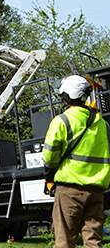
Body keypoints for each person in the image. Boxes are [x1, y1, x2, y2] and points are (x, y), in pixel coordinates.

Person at [43, 75, 110, 248]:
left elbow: (50, 156)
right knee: (93, 241)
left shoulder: (61, 121)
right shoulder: (102, 124)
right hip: (96, 190)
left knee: (65, 239)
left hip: (69, 190)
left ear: (65, 97)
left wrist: (49, 175)